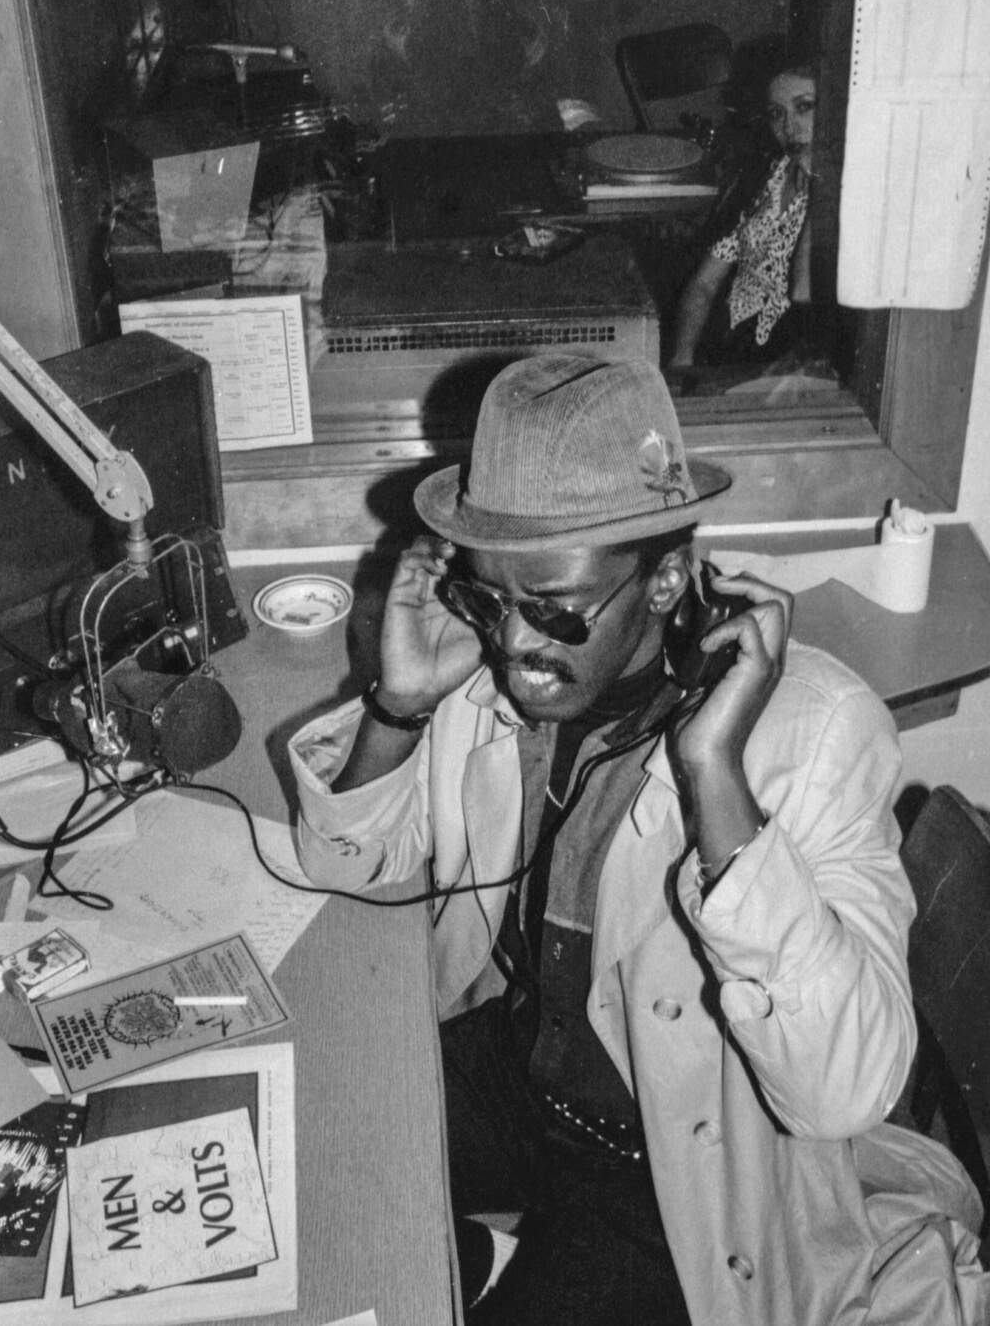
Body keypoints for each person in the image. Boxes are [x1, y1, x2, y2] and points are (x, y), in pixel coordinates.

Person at [288, 352, 987, 1325]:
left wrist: (715, 780)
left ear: (664, 583)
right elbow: (347, 867)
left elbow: (842, 1094)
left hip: (670, 1168)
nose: (512, 644)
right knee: (295, 1161)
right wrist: (399, 709)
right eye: (486, 596)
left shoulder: (816, 733)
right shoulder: (502, 673)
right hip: (524, 1066)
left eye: (551, 608)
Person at [669, 51, 817, 371]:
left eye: (804, 107)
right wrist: (682, 361)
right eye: (777, 113)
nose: (789, 127)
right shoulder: (765, 176)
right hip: (728, 344)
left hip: (787, 364)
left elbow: (804, 298)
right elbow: (704, 284)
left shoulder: (844, 197)